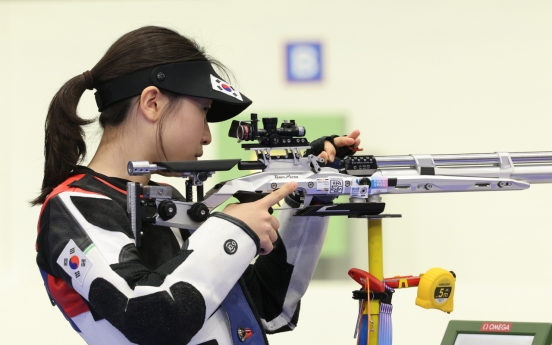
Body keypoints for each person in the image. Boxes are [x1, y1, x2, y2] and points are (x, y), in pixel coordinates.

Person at [33, 26, 361, 345]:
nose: (206, 135)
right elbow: (150, 318)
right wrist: (235, 229)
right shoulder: (74, 205)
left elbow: (267, 308)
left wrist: (310, 194)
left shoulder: (167, 201)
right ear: (152, 103)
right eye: (203, 111)